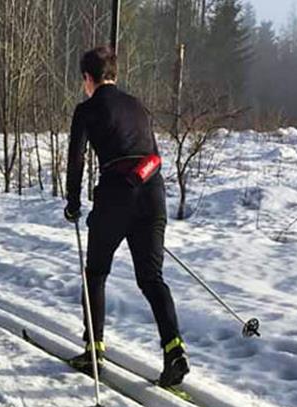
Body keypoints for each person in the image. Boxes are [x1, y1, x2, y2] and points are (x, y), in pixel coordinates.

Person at [63, 46, 188, 388]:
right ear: (114, 74)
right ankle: (174, 349)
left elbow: (76, 160)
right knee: (151, 278)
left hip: (116, 195)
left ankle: (94, 350)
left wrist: (73, 201)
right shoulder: (138, 106)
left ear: (88, 78)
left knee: (96, 272)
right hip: (153, 192)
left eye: (84, 80)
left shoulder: (87, 109)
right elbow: (154, 155)